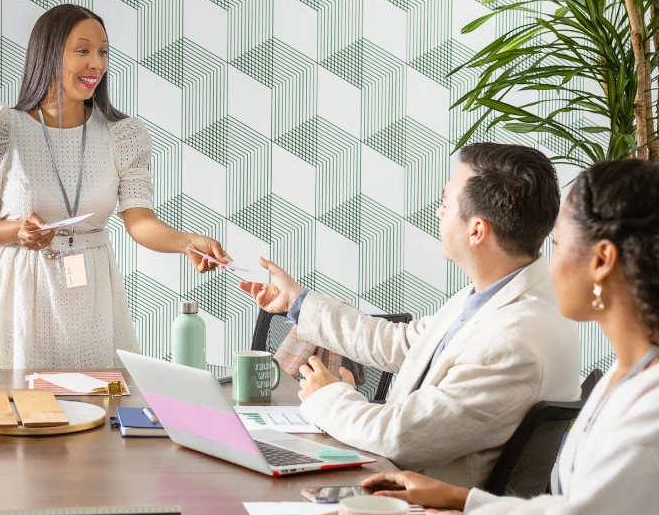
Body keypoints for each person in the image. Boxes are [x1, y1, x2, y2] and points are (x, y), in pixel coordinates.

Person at [362, 159, 659, 515]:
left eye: (558, 244)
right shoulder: (621, 381)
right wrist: (464, 500)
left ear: (601, 260)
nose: (548, 263)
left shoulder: (651, 420)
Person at [238, 143, 580, 487]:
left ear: (476, 231)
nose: (438, 213)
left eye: (445, 204)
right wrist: (297, 301)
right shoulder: (495, 294)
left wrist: (327, 395)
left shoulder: (514, 340)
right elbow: (400, 343)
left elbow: (397, 437)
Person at [0, 3, 228, 369]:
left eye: (103, 52)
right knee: (25, 410)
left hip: (95, 293)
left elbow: (139, 220)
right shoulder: (1, 128)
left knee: (104, 404)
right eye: (83, 51)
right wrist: (17, 230)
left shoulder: (122, 133)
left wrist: (185, 242)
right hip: (26, 288)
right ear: (48, 54)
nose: (97, 64)